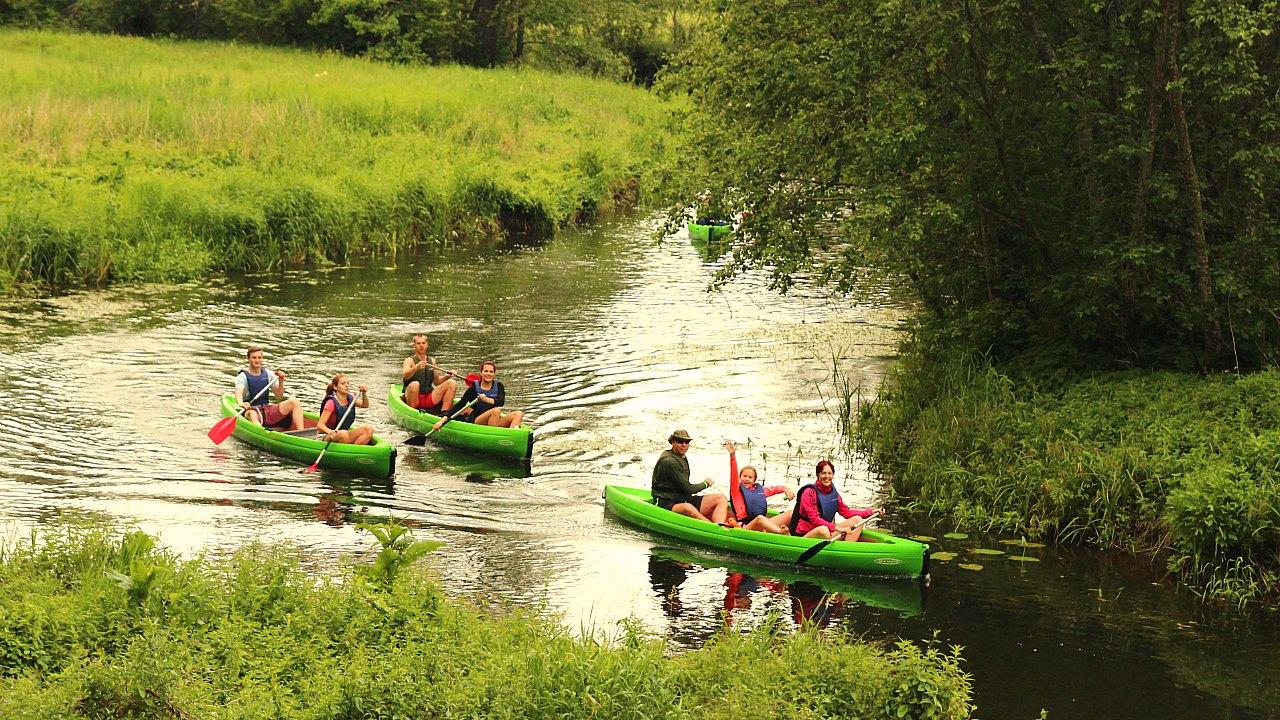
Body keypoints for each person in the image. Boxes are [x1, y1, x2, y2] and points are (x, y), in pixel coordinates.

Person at [650, 429, 729, 524]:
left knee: (721, 498)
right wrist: (706, 483)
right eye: (680, 442)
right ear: (673, 442)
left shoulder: (681, 457)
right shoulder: (669, 461)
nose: (684, 445)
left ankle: (720, 525)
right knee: (688, 508)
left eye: (686, 442)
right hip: (666, 502)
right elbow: (689, 489)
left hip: (682, 499)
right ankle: (713, 528)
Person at [789, 460, 879, 540]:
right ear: (818, 475)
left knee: (857, 520)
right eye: (823, 473)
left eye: (829, 473)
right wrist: (837, 528)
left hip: (827, 532)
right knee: (823, 529)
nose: (827, 476)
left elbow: (847, 512)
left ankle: (847, 549)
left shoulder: (833, 493)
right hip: (805, 534)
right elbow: (814, 519)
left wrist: (871, 512)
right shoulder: (809, 492)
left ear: (833, 475)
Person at [431, 360, 523, 432]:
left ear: (494, 374)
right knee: (496, 411)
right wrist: (441, 421)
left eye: (491, 371)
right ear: (481, 373)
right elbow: (460, 405)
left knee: (518, 414)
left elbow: (501, 402)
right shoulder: (474, 389)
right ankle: (493, 436)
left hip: (494, 420)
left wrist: (486, 399)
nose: (488, 373)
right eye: (486, 371)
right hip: (478, 420)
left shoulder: (499, 386)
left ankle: (511, 435)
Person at [725, 440, 795, 533]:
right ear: (740, 477)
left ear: (754, 480)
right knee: (760, 519)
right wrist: (732, 455)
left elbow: (775, 489)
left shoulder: (759, 491)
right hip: (746, 527)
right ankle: (781, 532)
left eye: (750, 477)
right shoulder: (736, 491)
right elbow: (733, 473)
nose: (747, 479)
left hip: (762, 526)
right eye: (744, 476)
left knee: (791, 513)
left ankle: (797, 533)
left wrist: (786, 489)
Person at [234, 346, 304, 431]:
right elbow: (238, 393)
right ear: (248, 359)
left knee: (294, 402)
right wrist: (242, 404)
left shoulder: (268, 374)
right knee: (251, 414)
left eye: (259, 357)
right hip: (252, 409)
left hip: (267, 409)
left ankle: (302, 432)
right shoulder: (242, 377)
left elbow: (279, 396)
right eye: (254, 357)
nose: (257, 360)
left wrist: (281, 382)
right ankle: (262, 432)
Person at [401, 333, 457, 415]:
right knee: (415, 384)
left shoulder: (432, 361)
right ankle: (412, 412)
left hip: (428, 397)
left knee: (452, 382)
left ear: (427, 345)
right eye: (418, 343)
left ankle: (444, 413)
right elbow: (405, 375)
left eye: (423, 343)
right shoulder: (409, 360)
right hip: (413, 398)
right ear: (414, 345)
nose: (421, 345)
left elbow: (437, 381)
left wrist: (447, 376)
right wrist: (416, 367)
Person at [315, 374, 373, 445]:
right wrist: (330, 432)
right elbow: (320, 425)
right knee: (343, 434)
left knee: (368, 429)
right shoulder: (331, 403)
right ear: (335, 387)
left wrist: (364, 393)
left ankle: (353, 451)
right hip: (326, 436)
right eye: (343, 383)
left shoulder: (351, 398)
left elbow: (365, 405)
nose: (347, 385)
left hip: (343, 433)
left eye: (348, 383)